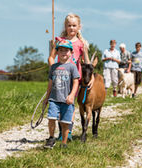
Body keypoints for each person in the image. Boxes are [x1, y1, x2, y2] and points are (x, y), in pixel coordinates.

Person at [48, 13, 93, 141]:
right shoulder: (60, 41)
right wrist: (53, 68)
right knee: (58, 102)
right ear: (65, 26)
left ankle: (67, 132)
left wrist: (91, 77)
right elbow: (51, 57)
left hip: (74, 79)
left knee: (69, 103)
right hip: (59, 77)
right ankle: (61, 131)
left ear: (79, 27)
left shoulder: (81, 43)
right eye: (69, 25)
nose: (72, 28)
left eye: (74, 25)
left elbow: (87, 62)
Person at [43, 39, 80, 149]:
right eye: (61, 50)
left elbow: (76, 82)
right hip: (54, 99)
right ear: (57, 53)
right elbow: (50, 83)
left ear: (71, 52)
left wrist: (72, 95)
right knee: (51, 118)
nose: (63, 53)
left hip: (66, 100)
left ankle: (64, 143)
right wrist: (47, 97)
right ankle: (51, 138)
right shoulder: (53, 67)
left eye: (66, 50)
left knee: (65, 123)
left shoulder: (72, 67)